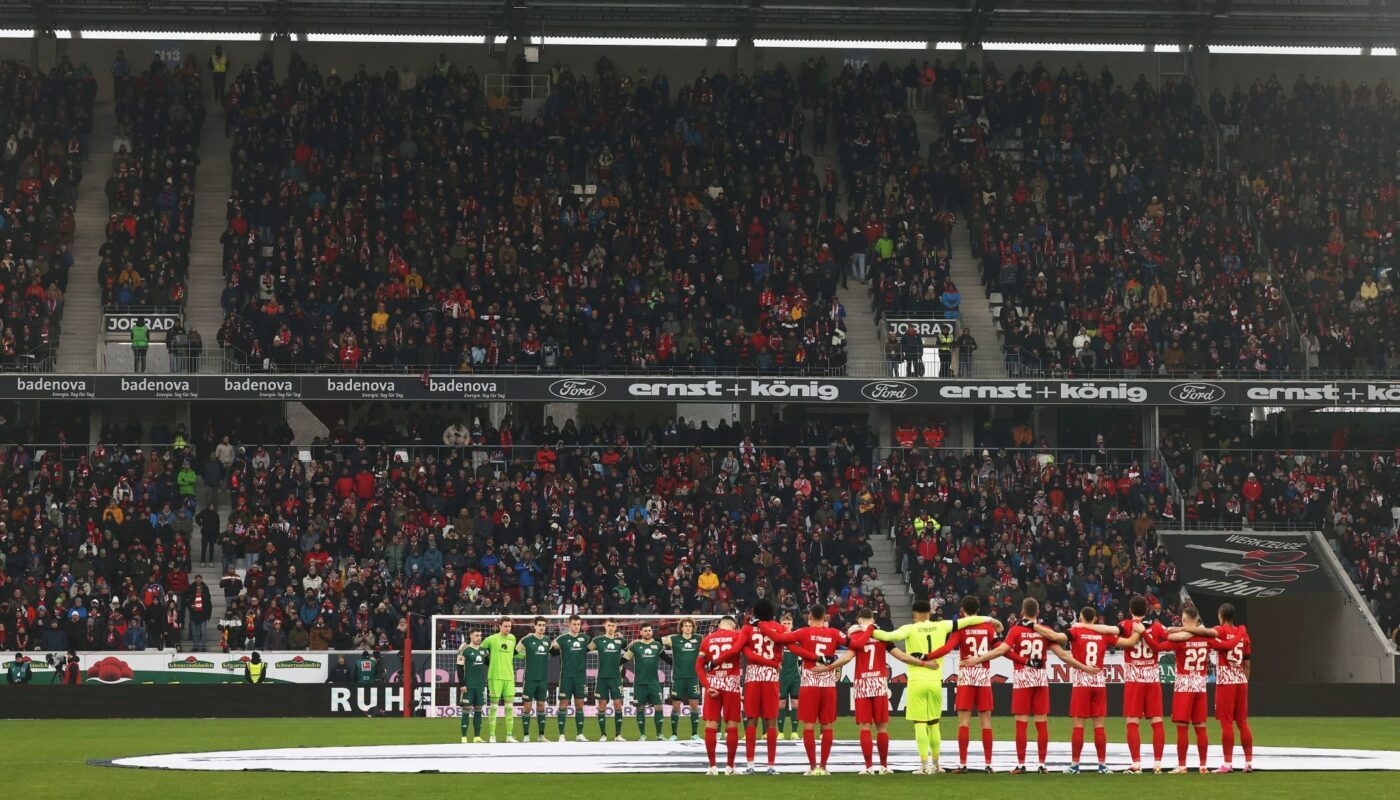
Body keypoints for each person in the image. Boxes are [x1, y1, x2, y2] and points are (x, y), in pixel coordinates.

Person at [961, 598, 1097, 774]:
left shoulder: (1016, 630)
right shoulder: (1046, 631)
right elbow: (1064, 656)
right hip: (1040, 679)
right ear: (1038, 613)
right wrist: (1085, 667)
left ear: (1022, 612)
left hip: (1022, 679)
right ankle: (1042, 764)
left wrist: (977, 660)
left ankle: (1021, 764)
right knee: (1041, 723)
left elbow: (1001, 650)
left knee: (1021, 723)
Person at [870, 599, 998, 774]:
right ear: (930, 613)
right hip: (936, 682)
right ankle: (937, 765)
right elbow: (969, 620)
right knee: (934, 724)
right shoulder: (942, 625)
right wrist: (990, 620)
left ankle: (924, 766)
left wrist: (867, 628)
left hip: (917, 681)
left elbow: (887, 637)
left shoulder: (909, 628)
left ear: (914, 615)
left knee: (920, 724)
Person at [1035, 607, 1142, 773]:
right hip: (1099, 682)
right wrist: (1139, 631)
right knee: (1099, 726)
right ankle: (1102, 765)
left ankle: (1075, 765)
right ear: (1094, 619)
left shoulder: (1075, 631)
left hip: (1081, 681)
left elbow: (1054, 637)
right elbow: (1129, 643)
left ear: (1080, 617)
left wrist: (1033, 625)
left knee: (1078, 725)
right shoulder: (1103, 634)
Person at [819, 607, 923, 774]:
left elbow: (846, 658)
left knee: (865, 727)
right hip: (879, 683)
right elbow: (902, 656)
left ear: (859, 620)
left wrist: (829, 667)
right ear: (873, 621)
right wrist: (924, 664)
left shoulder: (856, 636)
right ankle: (884, 766)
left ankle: (868, 767)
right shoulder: (882, 636)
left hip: (862, 683)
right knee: (882, 727)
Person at [922, 595, 1001, 773]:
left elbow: (947, 648)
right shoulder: (988, 627)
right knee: (986, 721)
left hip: (966, 674)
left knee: (963, 721)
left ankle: (963, 764)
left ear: (963, 611)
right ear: (978, 610)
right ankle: (988, 764)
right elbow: (1000, 647)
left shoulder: (961, 628)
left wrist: (926, 656)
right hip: (983, 674)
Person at [1162, 605, 1243, 773]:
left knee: (1182, 727)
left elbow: (1161, 644)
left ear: (1183, 620)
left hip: (1184, 685)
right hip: (1201, 685)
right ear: (1198, 621)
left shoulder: (1179, 639)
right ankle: (1203, 765)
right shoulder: (1207, 639)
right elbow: (1224, 643)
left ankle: (1182, 765)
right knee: (1201, 727)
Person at [770, 604, 845, 776]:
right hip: (828, 684)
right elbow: (852, 645)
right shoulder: (833, 633)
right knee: (827, 726)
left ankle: (812, 767)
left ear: (809, 616)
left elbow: (784, 641)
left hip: (809, 683)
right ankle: (824, 767)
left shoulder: (803, 632)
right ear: (825, 617)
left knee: (809, 726)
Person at [1119, 594, 1172, 773]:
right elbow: (1169, 636)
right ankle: (1157, 764)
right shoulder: (1156, 626)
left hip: (1134, 678)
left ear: (1129, 610)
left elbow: (1112, 633)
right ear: (1147, 610)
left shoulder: (1125, 625)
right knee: (1157, 721)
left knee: (1132, 721)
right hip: (1152, 679)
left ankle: (1136, 764)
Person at [695, 615, 747, 775]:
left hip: (713, 683)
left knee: (711, 724)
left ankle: (712, 767)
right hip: (731, 684)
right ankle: (730, 767)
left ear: (719, 625)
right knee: (732, 725)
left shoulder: (707, 639)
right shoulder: (738, 636)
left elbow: (698, 667)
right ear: (734, 626)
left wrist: (707, 686)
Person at [740, 599, 785, 774]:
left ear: (755, 612)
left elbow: (743, 650)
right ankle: (771, 765)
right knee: (771, 720)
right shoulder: (778, 628)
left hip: (752, 676)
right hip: (770, 676)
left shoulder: (747, 629)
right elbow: (784, 642)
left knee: (751, 719)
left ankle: (750, 765)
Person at [1210, 603, 1253, 773]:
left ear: (1221, 615)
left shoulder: (1219, 631)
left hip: (1226, 682)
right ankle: (1248, 762)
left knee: (1226, 722)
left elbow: (1209, 636)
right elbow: (1248, 663)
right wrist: (1244, 680)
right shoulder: (1244, 635)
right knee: (1242, 722)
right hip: (1241, 680)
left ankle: (1227, 763)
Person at [551, 615, 591, 742]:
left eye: (578, 624)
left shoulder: (585, 638)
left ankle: (580, 734)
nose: (576, 626)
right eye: (574, 624)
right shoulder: (562, 639)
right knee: (563, 704)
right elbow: (552, 650)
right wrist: (551, 645)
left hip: (580, 677)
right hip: (566, 677)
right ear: (569, 624)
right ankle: (561, 734)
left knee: (580, 705)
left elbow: (595, 646)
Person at [624, 623, 665, 741]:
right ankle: (642, 735)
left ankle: (659, 734)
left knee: (659, 707)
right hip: (640, 683)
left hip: (654, 683)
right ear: (640, 632)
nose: (648, 632)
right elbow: (625, 658)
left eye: (649, 630)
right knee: (640, 708)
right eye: (645, 631)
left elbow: (667, 659)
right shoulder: (635, 646)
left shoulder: (657, 645)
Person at [663, 617, 703, 742]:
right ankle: (674, 734)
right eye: (685, 626)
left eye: (690, 626)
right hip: (678, 678)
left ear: (693, 628)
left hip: (693, 677)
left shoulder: (699, 638)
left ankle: (695, 734)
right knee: (675, 706)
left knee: (694, 706)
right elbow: (656, 642)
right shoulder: (673, 639)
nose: (688, 628)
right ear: (681, 627)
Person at [480, 617, 518, 743]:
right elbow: (480, 650)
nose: (508, 628)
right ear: (499, 626)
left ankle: (509, 735)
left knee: (509, 707)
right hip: (495, 676)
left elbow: (515, 653)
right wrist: (487, 659)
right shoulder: (491, 639)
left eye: (509, 626)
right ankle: (492, 735)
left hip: (509, 676)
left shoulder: (512, 638)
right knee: (494, 707)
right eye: (506, 626)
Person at [589, 619, 626, 741]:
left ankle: (618, 734)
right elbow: (586, 649)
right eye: (609, 625)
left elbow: (630, 649)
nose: (611, 627)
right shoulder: (598, 640)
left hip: (616, 677)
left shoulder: (621, 641)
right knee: (602, 705)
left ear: (616, 627)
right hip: (602, 678)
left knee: (617, 705)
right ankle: (603, 734)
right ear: (605, 626)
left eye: (613, 626)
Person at [516, 617, 552, 742]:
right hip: (530, 679)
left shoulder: (547, 641)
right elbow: (515, 651)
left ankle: (541, 735)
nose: (542, 627)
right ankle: (526, 735)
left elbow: (554, 652)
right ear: (534, 626)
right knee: (527, 706)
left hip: (542, 680)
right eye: (540, 625)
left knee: (541, 706)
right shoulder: (527, 640)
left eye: (544, 625)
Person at [456, 630, 488, 743]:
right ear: (470, 636)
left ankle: (477, 737)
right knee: (466, 709)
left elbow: (489, 662)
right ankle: (464, 737)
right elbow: (459, 668)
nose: (479, 638)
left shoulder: (484, 651)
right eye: (477, 635)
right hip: (468, 685)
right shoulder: (464, 650)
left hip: (480, 686)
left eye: (480, 635)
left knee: (479, 709)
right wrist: (462, 684)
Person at [776, 612, 802, 741]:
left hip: (795, 676)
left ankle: (794, 732)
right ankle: (780, 732)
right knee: (781, 703)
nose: (786, 625)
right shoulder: (777, 639)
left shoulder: (796, 639)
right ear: (780, 625)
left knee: (795, 703)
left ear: (792, 625)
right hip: (781, 677)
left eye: (788, 623)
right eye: (784, 623)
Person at [186, 575, 213, 651]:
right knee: (194, 633)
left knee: (203, 633)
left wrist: (208, 616)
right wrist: (191, 606)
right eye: (197, 589)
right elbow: (188, 602)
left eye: (200, 589)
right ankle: (196, 647)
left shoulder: (205, 596)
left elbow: (209, 606)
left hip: (203, 616)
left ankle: (203, 647)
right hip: (194, 616)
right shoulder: (191, 595)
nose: (198, 590)